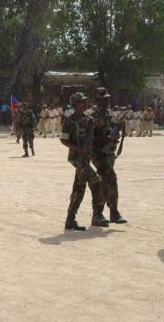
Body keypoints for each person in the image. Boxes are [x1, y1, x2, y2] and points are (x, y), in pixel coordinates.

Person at [60, 92, 109, 230]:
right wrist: (78, 148)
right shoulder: (70, 120)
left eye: (85, 101)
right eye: (82, 102)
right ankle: (97, 214)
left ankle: (70, 219)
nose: (85, 104)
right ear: (76, 104)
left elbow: (91, 137)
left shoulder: (88, 119)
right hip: (77, 158)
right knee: (96, 180)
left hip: (85, 157)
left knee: (79, 188)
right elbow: (63, 139)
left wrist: (93, 128)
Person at [91, 87, 127, 224]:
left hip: (109, 152)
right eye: (104, 99)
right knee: (110, 178)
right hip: (98, 152)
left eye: (107, 99)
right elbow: (89, 135)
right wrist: (105, 139)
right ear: (98, 100)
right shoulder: (94, 116)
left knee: (104, 181)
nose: (107, 101)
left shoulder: (108, 114)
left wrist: (116, 132)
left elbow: (111, 129)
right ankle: (106, 212)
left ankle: (106, 213)